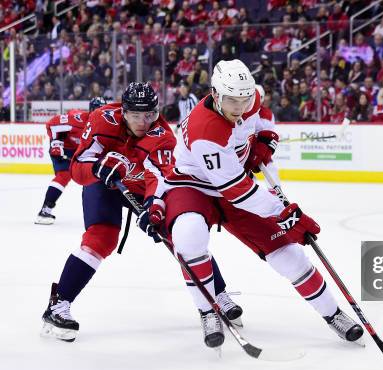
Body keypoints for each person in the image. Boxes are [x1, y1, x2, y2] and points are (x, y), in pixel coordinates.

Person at [153, 60, 364, 349]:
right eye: (231, 100)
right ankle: (207, 310)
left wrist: (265, 136)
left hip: (233, 180)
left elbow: (262, 113)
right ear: (215, 94)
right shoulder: (207, 131)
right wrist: (285, 214)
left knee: (289, 255)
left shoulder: (249, 97)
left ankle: (333, 313)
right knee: (189, 237)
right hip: (194, 185)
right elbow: (237, 191)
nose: (239, 106)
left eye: (245, 99)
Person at [40, 83, 242, 343]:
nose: (143, 122)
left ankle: (218, 295)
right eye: (136, 115)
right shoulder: (102, 119)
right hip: (104, 184)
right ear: (123, 112)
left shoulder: (163, 135)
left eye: (149, 114)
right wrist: (97, 168)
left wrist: (153, 208)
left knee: (180, 235)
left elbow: (160, 179)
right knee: (100, 239)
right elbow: (78, 169)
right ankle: (58, 304)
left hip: (143, 189)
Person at [35, 97, 107, 225]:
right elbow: (52, 123)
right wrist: (57, 144)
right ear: (91, 110)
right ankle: (45, 209)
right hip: (65, 149)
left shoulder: (105, 126)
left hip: (81, 151)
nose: (99, 114)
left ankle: (104, 212)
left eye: (102, 111)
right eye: (97, 111)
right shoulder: (77, 120)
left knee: (97, 177)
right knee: (63, 175)